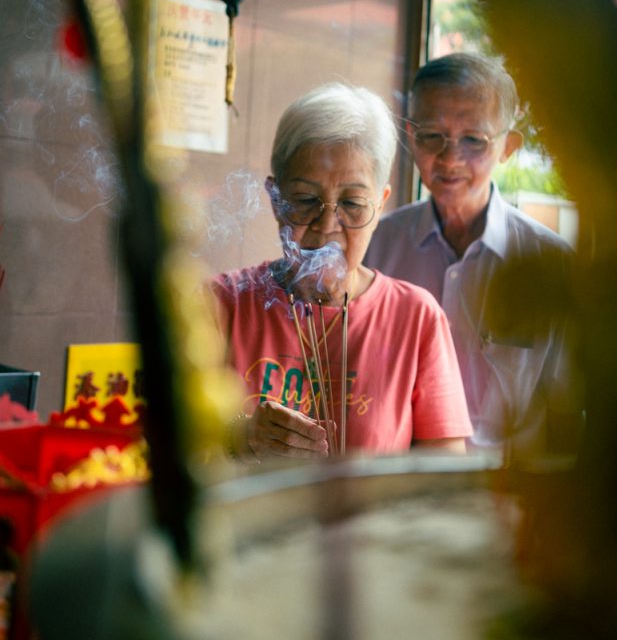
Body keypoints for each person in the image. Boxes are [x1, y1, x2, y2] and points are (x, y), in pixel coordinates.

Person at [211, 81, 472, 461]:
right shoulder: (222, 304)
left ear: (380, 205)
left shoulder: (415, 317)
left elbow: (444, 478)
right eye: (304, 200)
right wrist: (240, 435)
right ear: (275, 199)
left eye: (351, 202)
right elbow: (159, 445)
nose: (326, 224)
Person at [364, 52, 578, 459]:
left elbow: (565, 416)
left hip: (506, 500)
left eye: (473, 140)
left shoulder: (551, 267)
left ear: (508, 147)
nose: (449, 158)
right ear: (411, 136)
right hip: (396, 493)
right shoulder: (375, 246)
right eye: (432, 136)